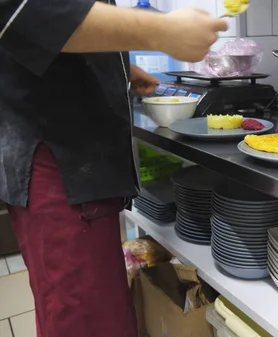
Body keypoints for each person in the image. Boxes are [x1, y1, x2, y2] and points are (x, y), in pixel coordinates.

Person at [0, 1, 228, 336]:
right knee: (86, 322)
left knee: (88, 311)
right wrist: (164, 31)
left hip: (74, 161)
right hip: (58, 161)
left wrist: (115, 68)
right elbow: (28, 13)